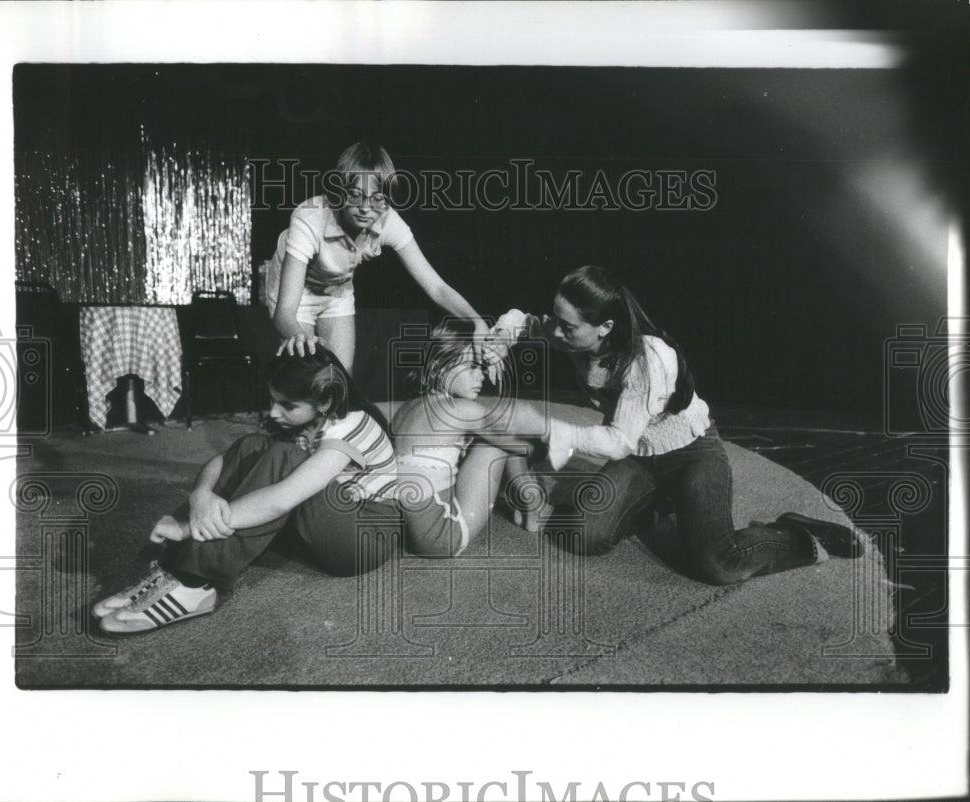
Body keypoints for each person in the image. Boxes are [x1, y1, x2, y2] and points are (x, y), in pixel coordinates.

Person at [486, 265, 864, 586]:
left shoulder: (646, 358)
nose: (556, 332)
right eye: (557, 318)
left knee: (718, 563)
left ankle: (796, 534)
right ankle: (655, 501)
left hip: (691, 452)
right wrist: (496, 343)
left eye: (568, 327)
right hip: (641, 454)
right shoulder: (570, 333)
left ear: (605, 327)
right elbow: (525, 323)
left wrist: (546, 428)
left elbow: (617, 442)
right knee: (582, 533)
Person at [92, 347, 403, 634]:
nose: (274, 412)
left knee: (284, 457)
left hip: (363, 538)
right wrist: (200, 497)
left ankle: (195, 581)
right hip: (322, 523)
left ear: (325, 402)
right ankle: (175, 567)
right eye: (271, 400)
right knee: (252, 445)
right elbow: (222, 460)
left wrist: (188, 527)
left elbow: (283, 498)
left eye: (287, 404)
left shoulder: (350, 424)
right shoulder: (305, 417)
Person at [267, 142, 489, 373]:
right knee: (307, 374)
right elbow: (284, 312)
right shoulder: (309, 219)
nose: (365, 207)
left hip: (337, 291)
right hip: (296, 294)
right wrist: (304, 339)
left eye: (377, 198)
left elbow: (437, 288)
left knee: (342, 379)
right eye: (355, 195)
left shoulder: (388, 220)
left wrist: (477, 321)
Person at [390, 319, 547, 557]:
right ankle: (530, 499)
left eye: (482, 368)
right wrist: (541, 444)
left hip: (405, 532)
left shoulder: (406, 408)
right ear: (441, 367)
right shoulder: (462, 409)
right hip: (443, 535)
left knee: (484, 436)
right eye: (473, 366)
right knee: (498, 441)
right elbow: (522, 446)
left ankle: (524, 497)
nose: (481, 377)